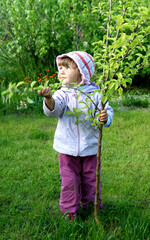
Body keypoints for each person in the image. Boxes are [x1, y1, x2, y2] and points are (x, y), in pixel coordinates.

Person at [38, 51, 114, 221]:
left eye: (66, 67)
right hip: (67, 148)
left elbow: (107, 109)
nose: (61, 71)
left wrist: (105, 117)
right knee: (69, 181)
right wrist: (49, 98)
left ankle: (92, 204)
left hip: (90, 147)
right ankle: (69, 210)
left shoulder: (95, 93)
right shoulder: (62, 93)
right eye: (60, 67)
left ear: (81, 71)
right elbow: (54, 110)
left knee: (91, 179)